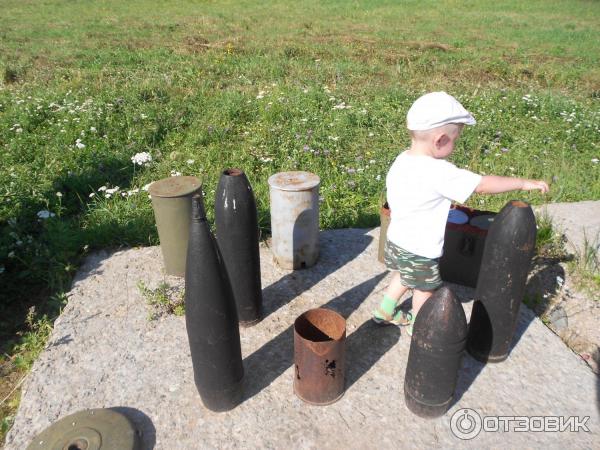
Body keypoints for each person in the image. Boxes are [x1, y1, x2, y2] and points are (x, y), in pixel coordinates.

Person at [372, 91, 549, 335]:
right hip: (420, 248)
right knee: (424, 289)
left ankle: (384, 310)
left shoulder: (403, 159)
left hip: (397, 239)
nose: (456, 145)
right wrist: (521, 182)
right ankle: (420, 326)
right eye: (456, 139)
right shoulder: (439, 172)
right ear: (440, 140)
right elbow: (482, 185)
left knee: (404, 274)